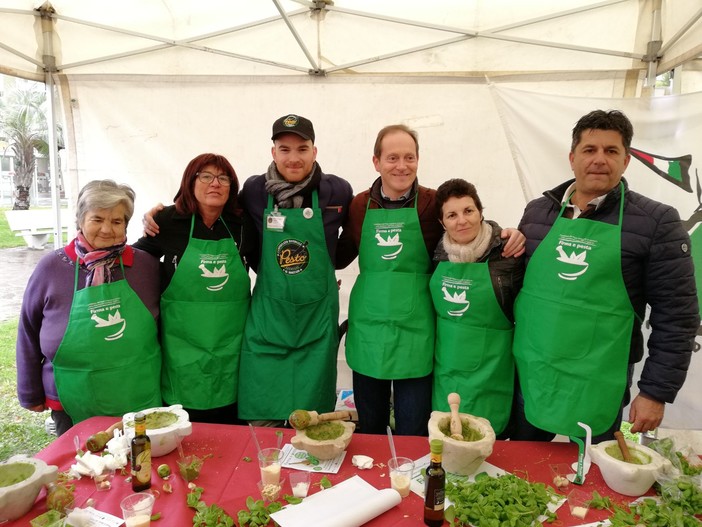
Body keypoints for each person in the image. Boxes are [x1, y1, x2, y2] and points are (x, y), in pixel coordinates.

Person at [512, 109, 699, 442]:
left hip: (598, 379)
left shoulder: (656, 222)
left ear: (626, 161)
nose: (599, 159)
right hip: (533, 370)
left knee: (592, 479)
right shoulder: (537, 212)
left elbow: (677, 317)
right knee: (525, 471)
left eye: (611, 151)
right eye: (589, 150)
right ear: (572, 157)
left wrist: (655, 392)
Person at [337, 124, 525, 436]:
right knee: (370, 429)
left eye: (409, 157)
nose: (401, 166)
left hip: (416, 333)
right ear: (376, 162)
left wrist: (503, 232)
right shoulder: (359, 206)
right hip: (369, 330)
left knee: (414, 430)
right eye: (392, 158)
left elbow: (466, 228)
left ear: (418, 160)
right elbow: (339, 256)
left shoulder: (431, 202)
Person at [16, 180, 161, 436]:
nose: (107, 229)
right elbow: (28, 330)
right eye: (97, 219)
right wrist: (30, 392)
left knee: (141, 467)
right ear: (81, 220)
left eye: (117, 221)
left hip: (138, 395)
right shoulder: (51, 267)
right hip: (71, 398)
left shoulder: (145, 266)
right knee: (80, 471)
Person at [237, 114, 353, 423]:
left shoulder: (337, 191)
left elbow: (356, 237)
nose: (293, 158)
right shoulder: (253, 190)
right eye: (284, 149)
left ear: (315, 152)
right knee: (262, 419)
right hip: (269, 318)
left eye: (302, 149)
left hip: (316, 320)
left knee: (312, 422)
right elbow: (217, 215)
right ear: (273, 152)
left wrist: (328, 268)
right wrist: (158, 215)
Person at [134, 153, 254, 425]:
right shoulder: (166, 221)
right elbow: (136, 261)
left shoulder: (244, 224)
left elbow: (268, 265)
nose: (215, 184)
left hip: (231, 344)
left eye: (223, 178)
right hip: (182, 348)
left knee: (230, 429)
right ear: (190, 182)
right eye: (206, 176)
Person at [430, 178, 524, 437]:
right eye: (452, 215)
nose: (462, 220)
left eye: (468, 211)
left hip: (492, 369)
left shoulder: (509, 254)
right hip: (447, 366)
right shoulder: (435, 256)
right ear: (442, 222)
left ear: (481, 212)